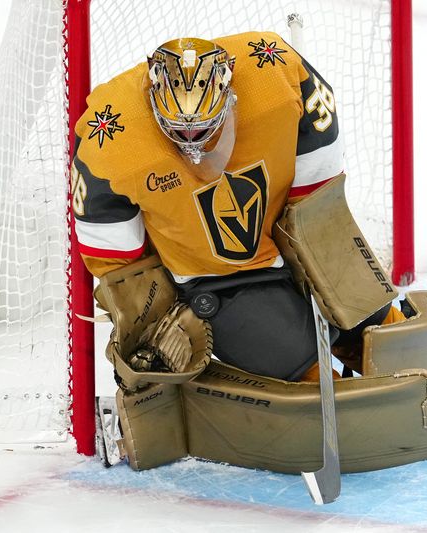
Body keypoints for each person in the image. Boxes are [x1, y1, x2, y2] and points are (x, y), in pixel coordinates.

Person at [70, 33, 400, 382]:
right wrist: (156, 307)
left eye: (202, 128)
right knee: (297, 364)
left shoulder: (276, 78)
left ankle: (379, 341)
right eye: (179, 131)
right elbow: (117, 259)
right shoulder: (110, 140)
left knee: (372, 315)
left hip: (287, 226)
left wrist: (308, 232)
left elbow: (318, 170)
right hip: (216, 280)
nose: (192, 143)